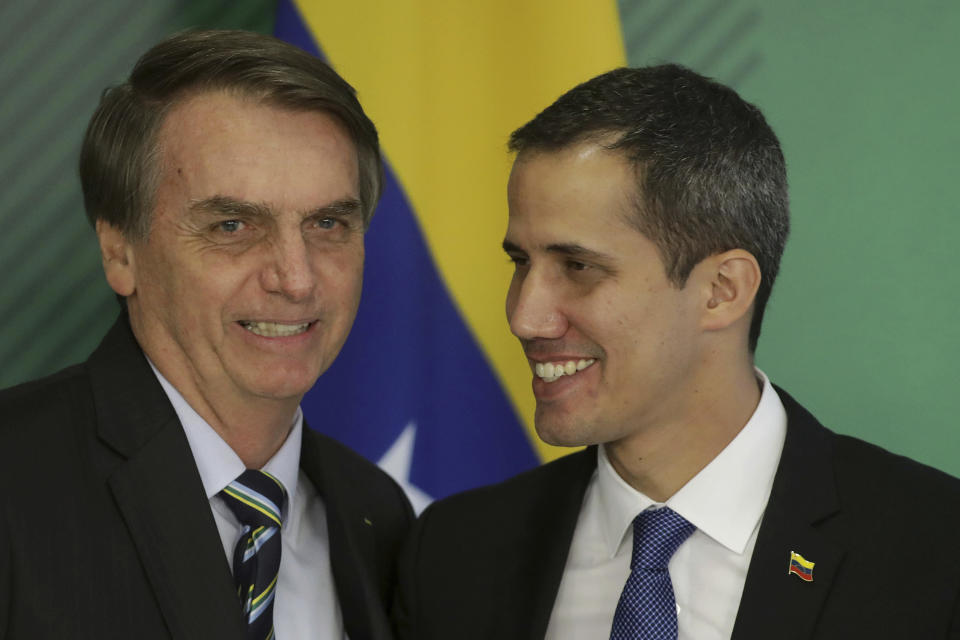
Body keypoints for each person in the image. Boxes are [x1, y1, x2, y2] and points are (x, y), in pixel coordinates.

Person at [393, 65, 960, 639]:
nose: (524, 316)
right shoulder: (451, 554)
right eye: (521, 263)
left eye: (579, 267)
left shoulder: (937, 553)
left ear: (722, 291)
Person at [0, 30, 412, 639]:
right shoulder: (14, 479)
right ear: (119, 251)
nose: (296, 280)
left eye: (327, 223)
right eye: (232, 225)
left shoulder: (380, 516)